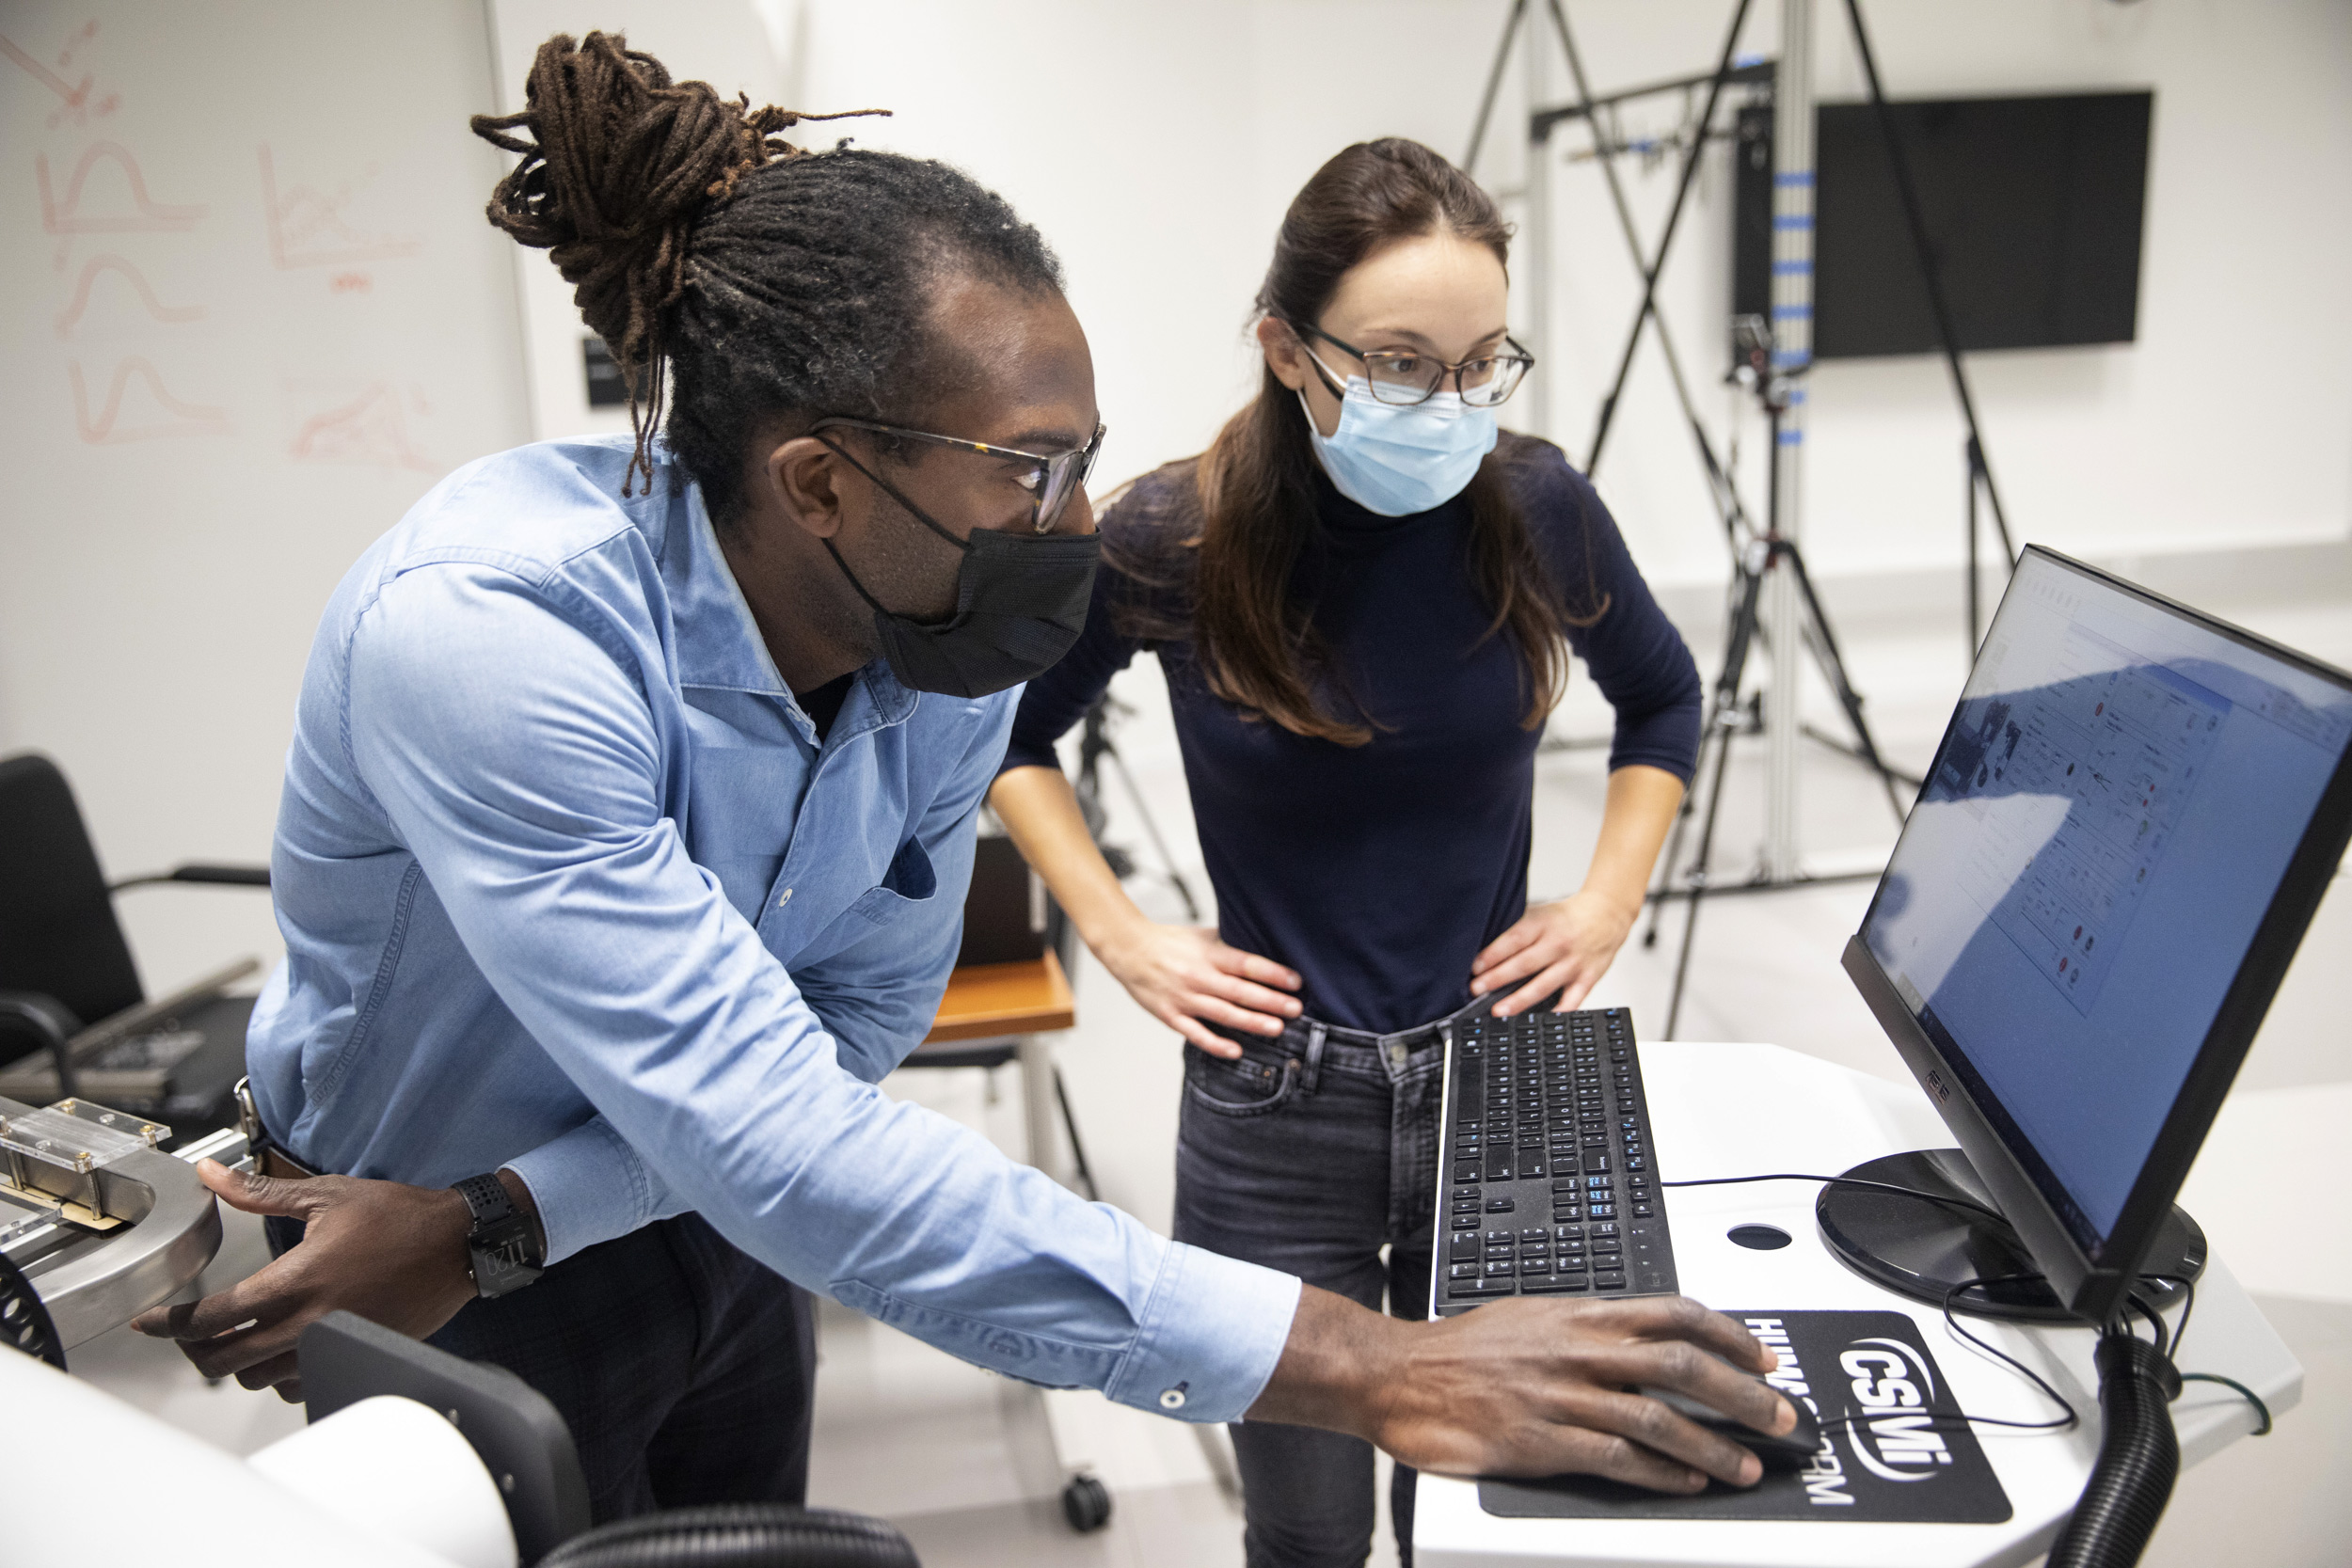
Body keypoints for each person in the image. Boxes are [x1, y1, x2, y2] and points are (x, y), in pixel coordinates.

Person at [135, 37, 1794, 1526]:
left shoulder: (939, 639)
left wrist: (524, 1209)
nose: (1080, 526)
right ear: (820, 484)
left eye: (1079, 456)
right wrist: (1372, 1366)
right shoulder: (499, 645)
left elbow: (835, 1055)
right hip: (418, 1259)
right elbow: (775, 1130)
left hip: (651, 1230)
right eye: (1030, 473)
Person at [988, 138, 1706, 1567]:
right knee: (1308, 1531)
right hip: (1273, 1106)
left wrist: (1608, 899)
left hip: (1505, 1071)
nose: (1446, 405)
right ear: (1287, 347)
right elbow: (1009, 740)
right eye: (1398, 362)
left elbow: (1666, 700)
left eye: (1480, 363)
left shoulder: (1537, 506)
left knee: (1509, 1519)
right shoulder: (1171, 536)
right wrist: (1125, 935)